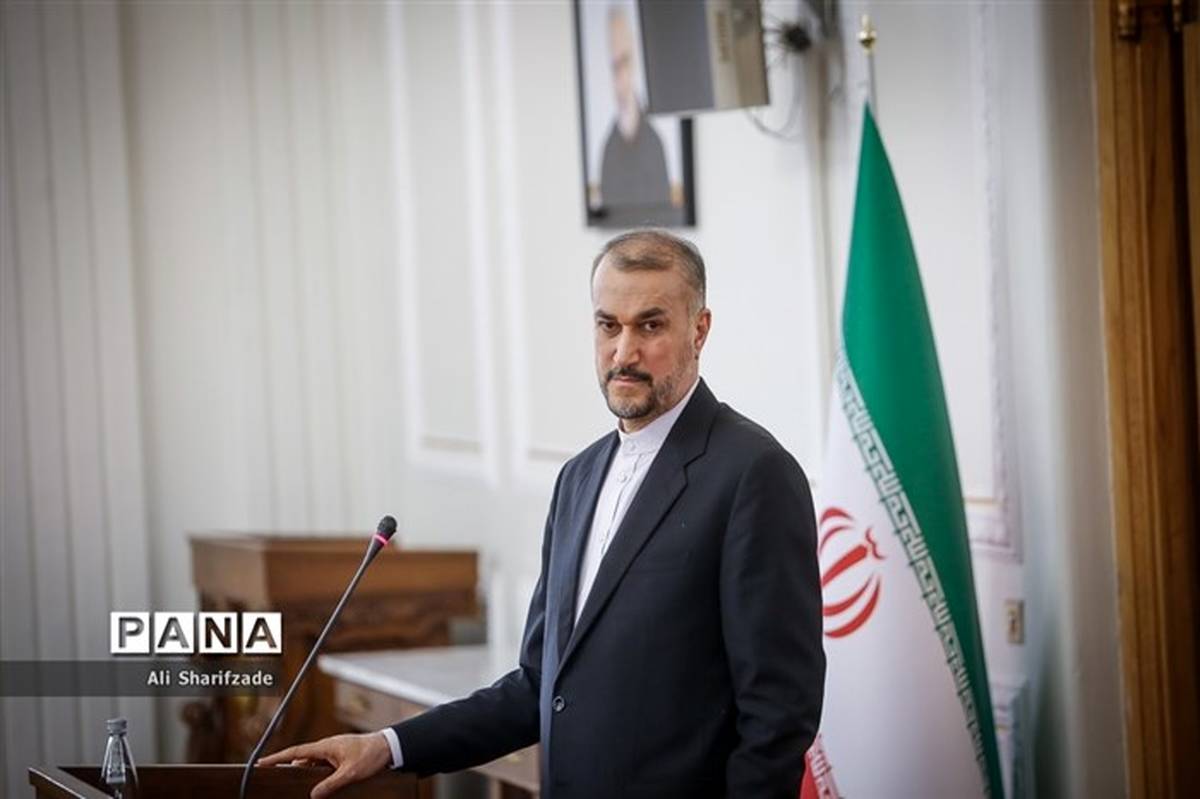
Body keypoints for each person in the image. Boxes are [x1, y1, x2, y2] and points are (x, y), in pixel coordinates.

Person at [261, 229, 826, 798]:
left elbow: (779, 714)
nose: (623, 353)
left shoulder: (755, 474)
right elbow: (539, 686)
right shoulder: (577, 478)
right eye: (608, 326)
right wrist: (387, 746)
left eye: (650, 326)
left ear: (699, 330)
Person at [597, 6, 672, 213]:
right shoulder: (608, 149)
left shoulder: (654, 143)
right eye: (615, 66)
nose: (621, 75)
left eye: (625, 61)